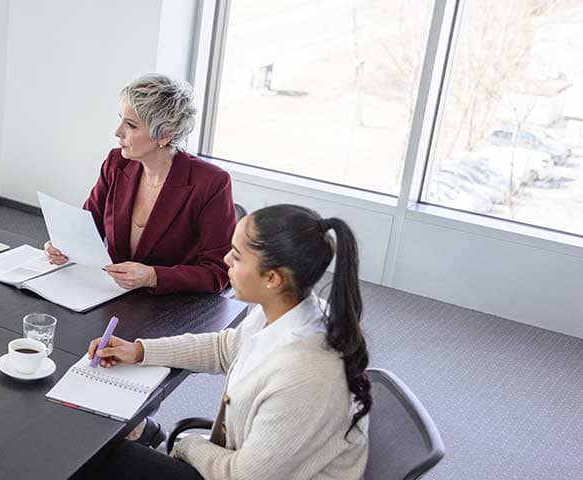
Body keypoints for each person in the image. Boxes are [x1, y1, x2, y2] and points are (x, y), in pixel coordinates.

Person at [80, 204, 371, 479]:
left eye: (236, 254)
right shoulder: (288, 309)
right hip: (239, 458)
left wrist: (186, 446)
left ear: (272, 278)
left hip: (237, 473)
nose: (225, 260)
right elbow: (223, 348)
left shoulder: (306, 377)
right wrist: (140, 350)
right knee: (103, 453)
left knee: (97, 460)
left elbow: (241, 476)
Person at [45, 74, 235, 295]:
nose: (118, 132)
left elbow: (218, 273)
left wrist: (153, 276)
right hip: (112, 295)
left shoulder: (211, 183)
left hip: (173, 308)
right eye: (121, 120)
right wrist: (61, 246)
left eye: (131, 125)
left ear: (165, 135)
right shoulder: (116, 163)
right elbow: (86, 228)